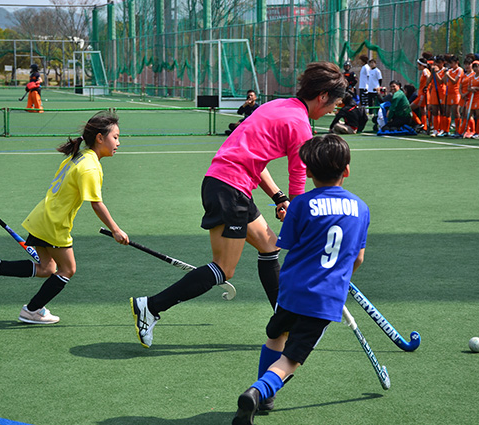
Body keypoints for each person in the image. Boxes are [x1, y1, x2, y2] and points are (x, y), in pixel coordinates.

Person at [129, 62, 347, 348]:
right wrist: (298, 219)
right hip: (230, 188)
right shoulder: (300, 126)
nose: (332, 110)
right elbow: (299, 183)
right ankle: (151, 306)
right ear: (322, 96)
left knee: (269, 246)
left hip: (225, 183)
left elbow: (257, 161)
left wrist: (279, 199)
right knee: (224, 268)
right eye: (333, 103)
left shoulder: (278, 106)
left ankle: (285, 323)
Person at [232, 134, 370, 425]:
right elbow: (357, 258)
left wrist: (292, 213)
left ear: (307, 171)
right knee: (291, 359)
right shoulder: (361, 208)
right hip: (324, 298)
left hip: (291, 291)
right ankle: (258, 392)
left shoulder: (301, 204)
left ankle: (265, 397)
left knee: (275, 335)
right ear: (346, 170)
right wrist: (342, 278)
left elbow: (291, 244)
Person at [0, 112, 129, 324]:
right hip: (54, 223)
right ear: (100, 138)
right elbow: (96, 203)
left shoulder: (80, 156)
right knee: (68, 269)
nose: (118, 142)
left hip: (42, 217)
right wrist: (116, 230)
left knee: (47, 269)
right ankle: (32, 309)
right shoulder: (90, 166)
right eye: (115, 137)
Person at [428, 55, 447, 137]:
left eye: (439, 63)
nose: (437, 64)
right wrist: (432, 73)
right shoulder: (433, 71)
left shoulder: (445, 71)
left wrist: (435, 73)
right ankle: (436, 129)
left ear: (443, 63)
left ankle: (443, 129)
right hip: (434, 92)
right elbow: (427, 82)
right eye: (436, 62)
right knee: (435, 111)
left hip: (442, 92)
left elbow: (441, 81)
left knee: (442, 111)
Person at [445, 55, 464, 136]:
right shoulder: (450, 70)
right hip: (449, 92)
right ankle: (446, 130)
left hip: (456, 93)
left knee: (456, 112)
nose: (451, 65)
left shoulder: (460, 70)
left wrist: (448, 75)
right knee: (447, 112)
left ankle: (458, 130)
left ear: (457, 62)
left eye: (452, 63)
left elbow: (455, 81)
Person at [411, 58, 431, 133]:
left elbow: (429, 78)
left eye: (418, 65)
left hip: (422, 94)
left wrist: (426, 86)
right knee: (422, 110)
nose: (418, 66)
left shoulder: (425, 71)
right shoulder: (425, 71)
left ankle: (419, 123)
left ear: (422, 65)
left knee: (410, 108)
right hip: (421, 94)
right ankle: (424, 126)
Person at [458, 57, 476, 138]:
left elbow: (472, 87)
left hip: (469, 97)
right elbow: (460, 86)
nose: (467, 66)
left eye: (469, 64)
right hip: (463, 96)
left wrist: (466, 94)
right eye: (465, 64)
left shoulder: (473, 75)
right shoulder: (464, 75)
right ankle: (465, 130)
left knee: (468, 114)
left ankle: (472, 131)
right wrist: (461, 94)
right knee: (464, 113)